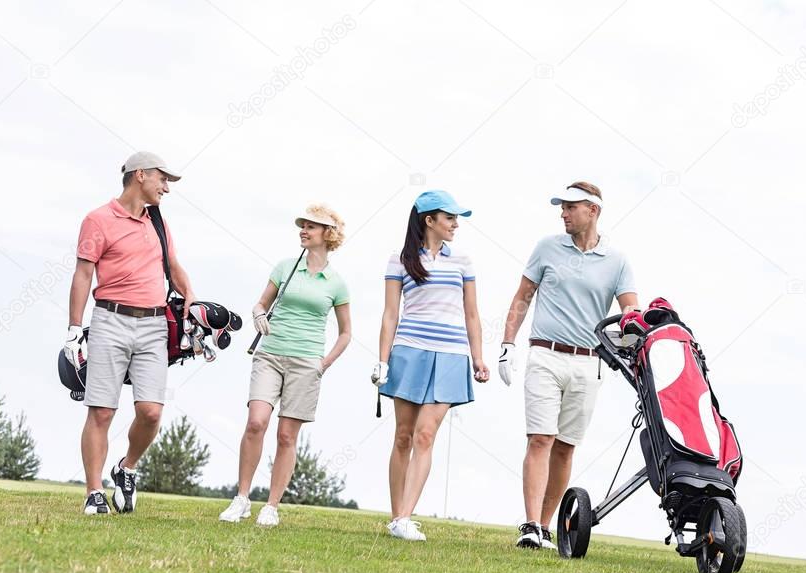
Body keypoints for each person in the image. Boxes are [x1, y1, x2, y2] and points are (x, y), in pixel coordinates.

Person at [498, 181, 638, 549]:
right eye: (562, 207)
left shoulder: (617, 260)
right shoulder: (546, 247)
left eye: (570, 207)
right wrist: (507, 343)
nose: (563, 212)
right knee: (540, 438)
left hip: (588, 361)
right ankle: (530, 524)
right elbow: (522, 297)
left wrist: (632, 326)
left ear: (592, 211)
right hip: (545, 354)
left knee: (564, 446)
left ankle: (544, 526)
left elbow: (630, 310)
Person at [64, 151, 196, 515]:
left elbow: (173, 265)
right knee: (102, 412)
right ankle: (94, 492)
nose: (166, 187)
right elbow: (82, 274)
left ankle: (126, 469)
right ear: (140, 175)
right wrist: (75, 329)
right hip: (110, 320)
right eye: (162, 179)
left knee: (151, 412)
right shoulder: (98, 219)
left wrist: (193, 304)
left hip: (154, 325)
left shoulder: (158, 222)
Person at [219, 204, 352, 527]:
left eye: (312, 227)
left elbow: (347, 333)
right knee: (256, 422)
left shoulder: (336, 283)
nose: (304, 231)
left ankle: (272, 506)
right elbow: (261, 303)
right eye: (302, 226)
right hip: (270, 355)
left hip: (306, 363)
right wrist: (258, 314)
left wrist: (324, 363)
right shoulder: (284, 267)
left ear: (328, 235)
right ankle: (242, 498)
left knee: (286, 437)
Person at [371, 190, 490, 541]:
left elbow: (471, 313)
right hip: (409, 352)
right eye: (450, 218)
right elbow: (391, 313)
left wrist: (478, 357)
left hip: (451, 355)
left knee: (425, 435)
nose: (455, 224)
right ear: (429, 220)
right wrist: (382, 359)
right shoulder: (400, 260)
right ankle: (397, 517)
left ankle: (405, 518)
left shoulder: (463, 262)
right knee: (404, 435)